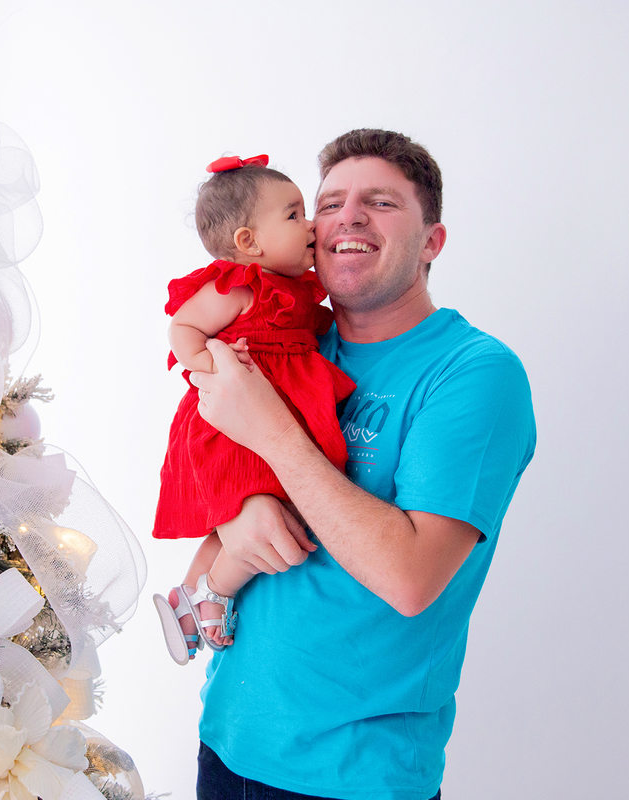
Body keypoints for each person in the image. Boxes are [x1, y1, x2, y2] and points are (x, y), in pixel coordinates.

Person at [189, 130, 537, 800]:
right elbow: (204, 551)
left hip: (353, 777)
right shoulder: (287, 347)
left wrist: (273, 437)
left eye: (380, 202)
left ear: (432, 243)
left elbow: (409, 578)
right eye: (329, 203)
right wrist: (238, 519)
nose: (347, 216)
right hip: (228, 743)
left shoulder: (473, 374)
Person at [151, 154, 355, 663]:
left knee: (245, 513)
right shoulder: (239, 286)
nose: (310, 225)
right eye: (293, 216)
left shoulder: (300, 292)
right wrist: (209, 367)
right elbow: (182, 328)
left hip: (271, 417)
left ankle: (185, 598)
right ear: (249, 243)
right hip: (231, 424)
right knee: (265, 515)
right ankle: (216, 591)